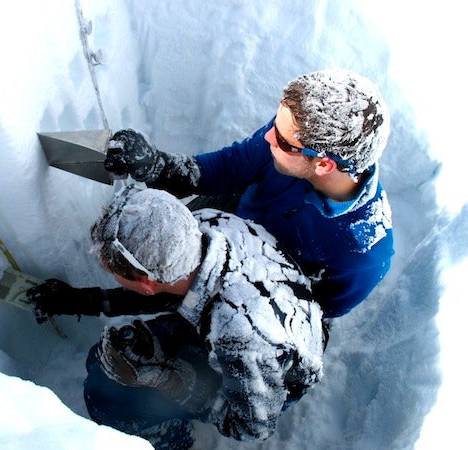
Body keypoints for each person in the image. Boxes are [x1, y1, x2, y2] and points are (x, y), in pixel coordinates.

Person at [27, 185, 325, 449]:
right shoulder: (203, 227)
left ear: (146, 283)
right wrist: (79, 301)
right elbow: (170, 292)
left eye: (114, 274)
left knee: (103, 394)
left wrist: (167, 378)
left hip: (271, 375)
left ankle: (175, 441)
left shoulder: (241, 340)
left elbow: (252, 426)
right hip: (241, 320)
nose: (112, 277)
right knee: (101, 361)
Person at [103, 69, 394, 318]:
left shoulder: (361, 254)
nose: (269, 137)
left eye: (280, 139)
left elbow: (308, 319)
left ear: (324, 164)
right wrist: (158, 167)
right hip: (230, 219)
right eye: (275, 125)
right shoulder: (293, 135)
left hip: (251, 296)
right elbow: (232, 168)